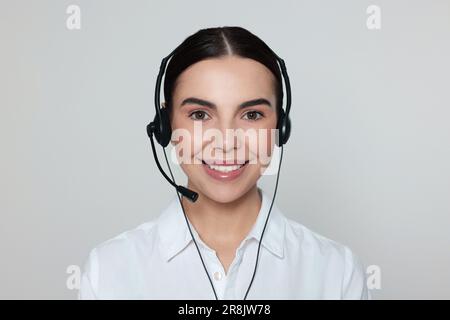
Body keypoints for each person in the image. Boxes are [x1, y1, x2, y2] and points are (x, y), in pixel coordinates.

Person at [78, 26, 370, 300]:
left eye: (252, 115)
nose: (226, 142)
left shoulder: (337, 273)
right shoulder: (109, 272)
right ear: (165, 126)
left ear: (281, 128)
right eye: (200, 115)